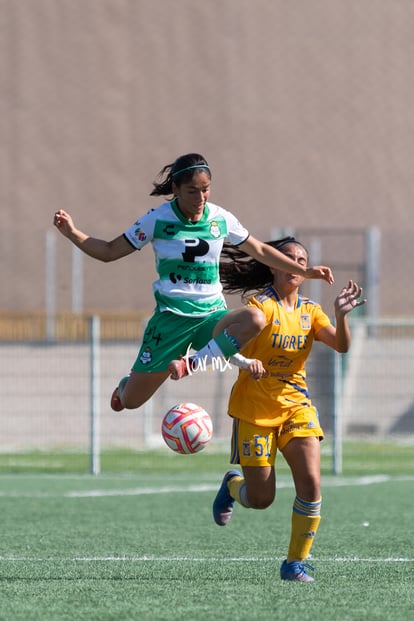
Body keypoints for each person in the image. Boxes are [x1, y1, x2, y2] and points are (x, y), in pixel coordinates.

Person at [53, 153, 334, 412]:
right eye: (193, 191)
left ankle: (190, 364)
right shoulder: (156, 220)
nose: (201, 197)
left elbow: (260, 251)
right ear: (175, 189)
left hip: (211, 316)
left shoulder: (220, 218)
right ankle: (126, 386)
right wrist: (73, 234)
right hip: (171, 320)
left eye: (206, 189)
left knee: (256, 319)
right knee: (131, 402)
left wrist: (306, 272)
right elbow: (109, 251)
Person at [211, 237, 366, 582]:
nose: (296, 263)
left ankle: (294, 562)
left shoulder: (311, 311)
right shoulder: (259, 306)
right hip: (254, 407)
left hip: (296, 403)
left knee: (311, 482)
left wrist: (341, 316)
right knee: (261, 498)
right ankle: (234, 486)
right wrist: (244, 360)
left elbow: (341, 345)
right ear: (273, 265)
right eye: (290, 258)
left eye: (302, 259)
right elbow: (224, 343)